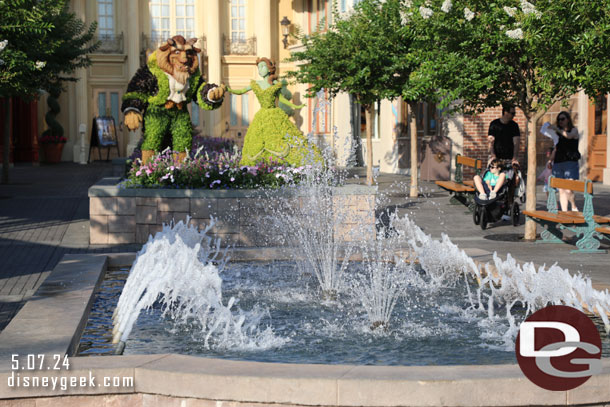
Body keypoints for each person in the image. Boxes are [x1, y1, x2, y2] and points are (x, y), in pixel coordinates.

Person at [227, 57, 322, 166]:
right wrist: (228, 90)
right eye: (258, 68)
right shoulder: (256, 84)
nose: (260, 70)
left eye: (262, 67)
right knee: (258, 140)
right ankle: (262, 166)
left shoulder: (275, 84)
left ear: (269, 69)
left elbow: (281, 99)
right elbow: (241, 91)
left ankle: (285, 164)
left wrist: (296, 105)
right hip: (262, 116)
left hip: (274, 114)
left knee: (282, 136)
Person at [547, 111, 580, 212]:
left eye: (563, 119)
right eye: (559, 119)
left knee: (569, 189)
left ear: (568, 120)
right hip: (558, 162)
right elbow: (556, 149)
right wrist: (550, 160)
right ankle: (564, 213)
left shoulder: (573, 130)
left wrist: (557, 129)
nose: (560, 121)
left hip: (570, 162)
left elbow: (568, 136)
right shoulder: (558, 134)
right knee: (561, 190)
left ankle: (573, 205)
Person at [488, 103, 521, 167]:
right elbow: (490, 141)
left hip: (510, 158)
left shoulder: (514, 125)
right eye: (512, 113)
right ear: (506, 112)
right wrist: (493, 155)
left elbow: (516, 142)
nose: (514, 115)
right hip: (496, 157)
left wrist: (514, 158)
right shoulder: (494, 124)